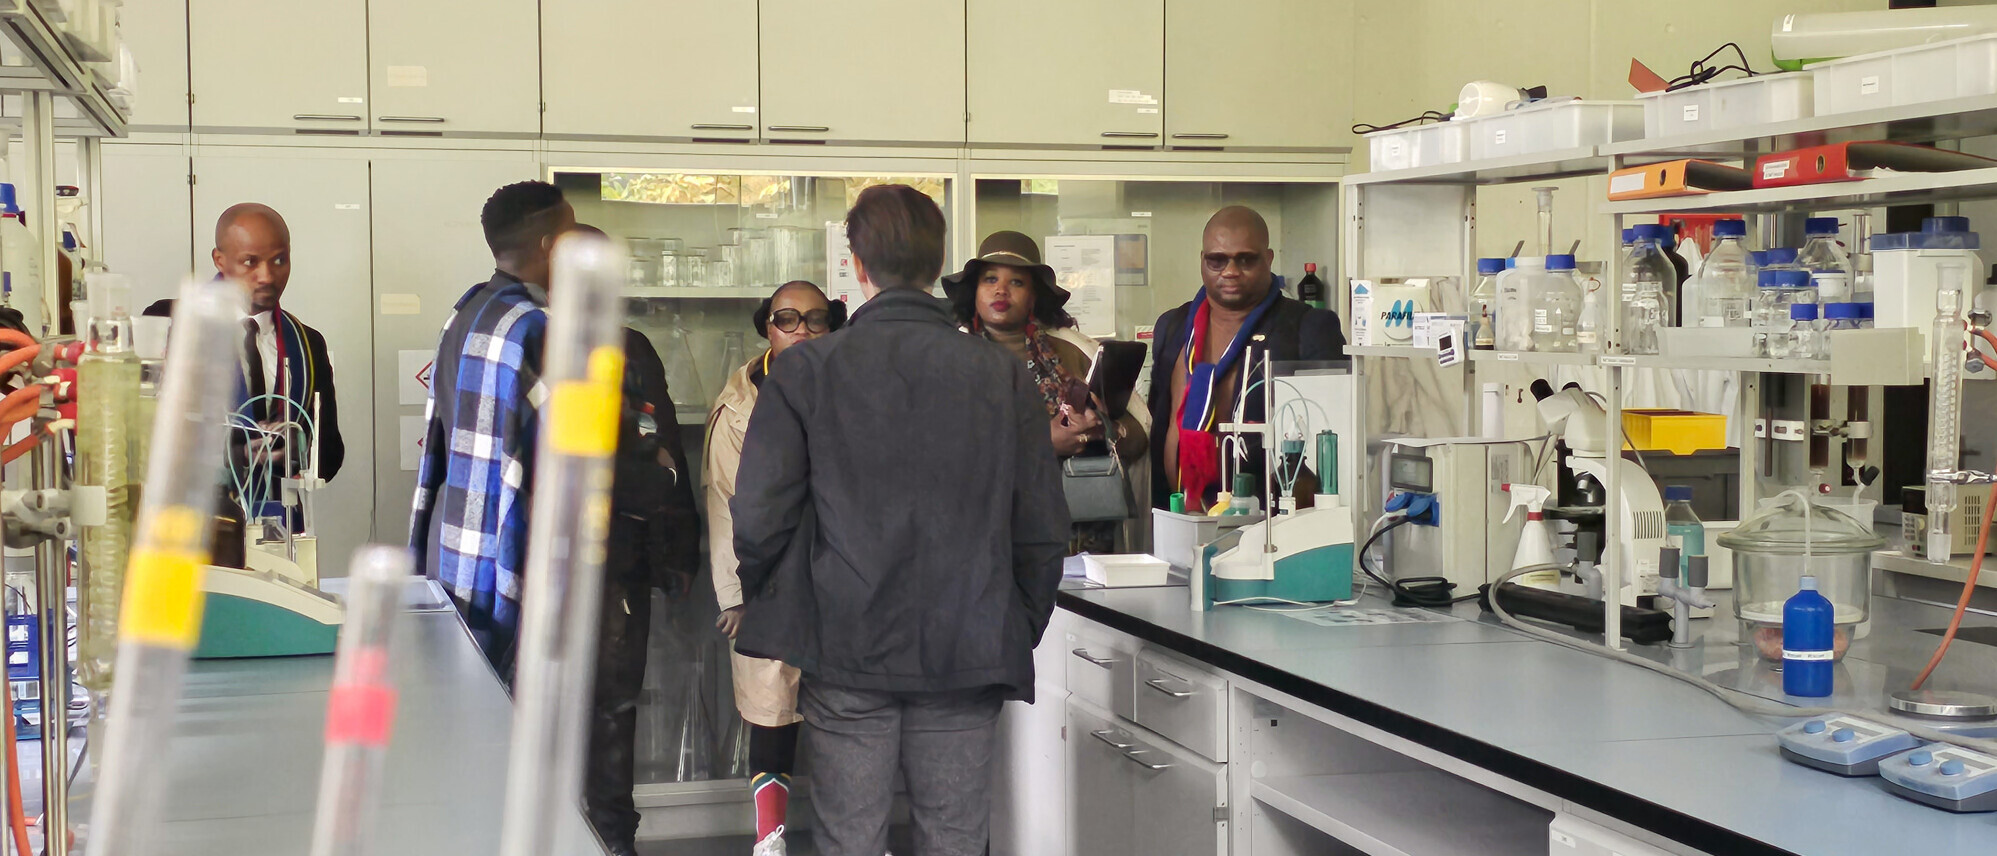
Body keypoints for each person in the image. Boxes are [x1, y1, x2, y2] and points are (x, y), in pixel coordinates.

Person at [729, 185, 1068, 856]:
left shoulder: (806, 372)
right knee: (956, 838)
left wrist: (792, 604)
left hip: (845, 639)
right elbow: (1039, 525)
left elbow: (759, 517)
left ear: (856, 265)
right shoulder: (1001, 376)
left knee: (848, 837)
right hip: (968, 641)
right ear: (939, 263)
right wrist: (1012, 621)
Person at [408, 181, 576, 673]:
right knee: (506, 698)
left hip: (454, 536)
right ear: (549, 245)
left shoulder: (467, 311)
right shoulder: (533, 325)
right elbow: (564, 448)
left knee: (460, 689)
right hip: (504, 546)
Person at [705, 280, 845, 856]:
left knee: (850, 711)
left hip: (844, 572)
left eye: (815, 319)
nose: (801, 330)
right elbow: (723, 501)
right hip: (769, 576)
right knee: (771, 706)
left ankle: (855, 834)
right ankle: (770, 838)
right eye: (787, 319)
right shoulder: (740, 404)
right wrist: (735, 595)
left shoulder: (852, 383)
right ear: (768, 327)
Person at [943, 230, 1146, 554]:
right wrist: (1041, 443)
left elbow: (1141, 431)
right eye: (990, 279)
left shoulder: (1076, 351)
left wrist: (1099, 432)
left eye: (1016, 282)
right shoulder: (948, 357)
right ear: (974, 291)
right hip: (981, 538)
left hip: (1076, 540)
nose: (1001, 289)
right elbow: (941, 448)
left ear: (1034, 296)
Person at [144, 203, 346, 509]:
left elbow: (330, 455)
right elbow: (140, 440)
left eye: (279, 260)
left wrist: (300, 450)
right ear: (220, 260)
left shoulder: (307, 344)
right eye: (250, 262)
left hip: (279, 522)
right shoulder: (171, 324)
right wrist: (232, 455)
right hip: (193, 522)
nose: (267, 275)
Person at [1149, 205, 1345, 512]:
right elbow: (1159, 421)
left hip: (1269, 518)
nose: (1230, 271)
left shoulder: (1309, 327)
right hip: (1176, 514)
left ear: (1268, 259)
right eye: (1217, 260)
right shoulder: (1172, 326)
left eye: (1246, 259)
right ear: (1202, 260)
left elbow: (1332, 433)